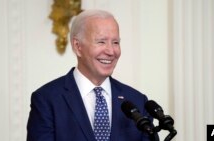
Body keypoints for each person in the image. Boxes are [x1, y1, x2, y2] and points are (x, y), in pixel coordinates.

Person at [27, 9, 157, 141]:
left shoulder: (138, 101)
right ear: (78, 46)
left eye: (115, 42)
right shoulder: (47, 99)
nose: (111, 51)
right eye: (101, 42)